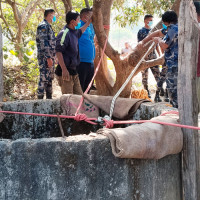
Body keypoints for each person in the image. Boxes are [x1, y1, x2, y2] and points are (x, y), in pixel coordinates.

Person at [139, 11, 178, 108]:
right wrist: (143, 41)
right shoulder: (176, 27)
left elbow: (164, 45)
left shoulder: (172, 29)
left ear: (166, 22)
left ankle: (176, 112)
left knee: (172, 89)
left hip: (174, 64)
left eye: (164, 23)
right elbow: (158, 32)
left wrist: (158, 40)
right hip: (174, 63)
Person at [55, 11, 92, 94]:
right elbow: (58, 51)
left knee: (79, 96)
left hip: (74, 71)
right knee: (68, 99)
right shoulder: (64, 33)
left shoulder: (74, 32)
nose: (79, 22)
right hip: (65, 72)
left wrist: (89, 22)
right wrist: (64, 69)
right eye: (78, 20)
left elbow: (81, 30)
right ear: (72, 21)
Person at [137, 14, 161, 100]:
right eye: (149, 20)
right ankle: (147, 93)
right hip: (144, 57)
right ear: (145, 21)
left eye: (152, 20)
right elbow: (140, 45)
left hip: (153, 56)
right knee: (144, 77)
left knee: (158, 76)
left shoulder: (154, 31)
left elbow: (157, 45)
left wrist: (159, 55)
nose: (151, 22)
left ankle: (157, 95)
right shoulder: (141, 31)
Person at [36, 8, 57, 99]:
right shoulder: (43, 26)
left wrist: (54, 57)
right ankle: (39, 101)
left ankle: (49, 100)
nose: (54, 17)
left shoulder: (48, 26)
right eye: (53, 15)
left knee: (49, 78)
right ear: (49, 15)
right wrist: (48, 58)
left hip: (50, 57)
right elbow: (44, 43)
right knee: (43, 78)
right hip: (45, 58)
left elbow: (52, 43)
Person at [77, 8, 95, 92]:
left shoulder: (89, 27)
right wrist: (88, 23)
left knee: (88, 86)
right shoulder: (78, 25)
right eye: (90, 16)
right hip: (81, 62)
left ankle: (85, 103)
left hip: (90, 61)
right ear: (85, 16)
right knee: (81, 85)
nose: (92, 18)